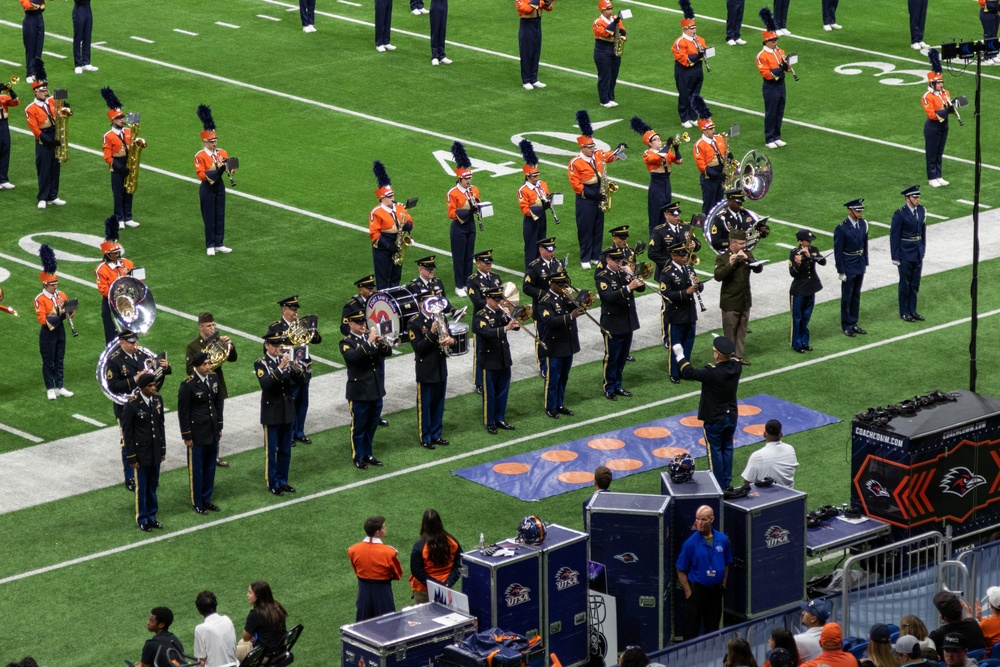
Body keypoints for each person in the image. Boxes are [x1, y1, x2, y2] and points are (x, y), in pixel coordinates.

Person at [675, 336, 742, 488]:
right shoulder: (737, 367)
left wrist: (679, 354)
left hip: (715, 418)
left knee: (715, 452)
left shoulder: (711, 372)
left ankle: (718, 486)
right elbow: (735, 358)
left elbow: (688, 371)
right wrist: (724, 341)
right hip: (731, 415)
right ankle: (726, 482)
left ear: (717, 355)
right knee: (727, 448)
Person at [109, 330, 171, 493]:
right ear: (122, 343)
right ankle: (129, 477)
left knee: (149, 435)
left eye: (135, 341)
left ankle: (148, 472)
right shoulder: (114, 361)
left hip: (146, 404)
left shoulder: (143, 355)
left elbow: (155, 375)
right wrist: (135, 379)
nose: (135, 344)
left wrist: (165, 367)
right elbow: (113, 387)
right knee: (127, 440)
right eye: (131, 342)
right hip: (125, 408)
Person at [568, 110, 623, 269]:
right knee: (585, 228)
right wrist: (594, 195)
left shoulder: (598, 154)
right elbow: (576, 185)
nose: (593, 148)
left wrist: (619, 149)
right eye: (590, 147)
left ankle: (595, 255)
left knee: (598, 226)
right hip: (586, 198)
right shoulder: (575, 162)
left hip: (600, 192)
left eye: (593, 146)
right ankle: (585, 258)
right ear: (582, 147)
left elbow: (610, 156)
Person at [268, 295, 323, 445]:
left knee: (303, 402)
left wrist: (313, 331)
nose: (295, 312)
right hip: (289, 370)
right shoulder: (276, 327)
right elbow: (272, 348)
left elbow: (318, 340)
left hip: (304, 367)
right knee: (290, 403)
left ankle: (300, 432)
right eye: (292, 309)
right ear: (284, 310)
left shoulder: (302, 324)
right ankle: (289, 434)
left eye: (296, 309)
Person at [340, 310, 392, 469]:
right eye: (359, 322)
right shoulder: (346, 342)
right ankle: (357, 456)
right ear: (350, 324)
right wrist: (369, 342)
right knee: (359, 426)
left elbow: (387, 353)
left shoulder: (370, 338)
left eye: (364, 322)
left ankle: (368, 454)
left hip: (375, 389)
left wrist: (382, 343)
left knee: (371, 425)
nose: (363, 325)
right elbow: (353, 358)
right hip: (359, 391)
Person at [255, 331, 305, 495]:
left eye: (279, 345)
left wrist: (297, 369)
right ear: (266, 345)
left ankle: (283, 480)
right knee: (272, 452)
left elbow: (298, 381)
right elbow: (266, 384)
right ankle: (272, 483)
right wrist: (281, 367)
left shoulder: (286, 359)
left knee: (285, 450)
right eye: (275, 345)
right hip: (272, 412)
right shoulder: (261, 364)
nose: (278, 348)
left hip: (287, 410)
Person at [185, 313, 237, 468]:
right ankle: (204, 455)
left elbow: (233, 358)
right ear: (200, 326)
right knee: (203, 423)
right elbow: (189, 370)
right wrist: (206, 365)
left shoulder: (218, 342)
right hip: (201, 390)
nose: (212, 328)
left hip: (216, 387)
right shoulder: (193, 346)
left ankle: (215, 456)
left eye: (213, 325)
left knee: (216, 422)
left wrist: (230, 346)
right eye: (209, 326)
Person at [178, 352, 224, 515]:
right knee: (197, 469)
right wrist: (187, 435)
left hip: (212, 430)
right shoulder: (188, 385)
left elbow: (218, 402)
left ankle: (207, 499)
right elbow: (183, 412)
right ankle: (197, 502)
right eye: (205, 364)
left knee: (210, 467)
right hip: (197, 433)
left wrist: (219, 425)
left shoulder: (213, 378)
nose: (208, 366)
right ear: (196, 366)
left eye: (209, 363)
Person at [676, 505, 732, 639]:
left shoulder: (722, 539)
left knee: (713, 628)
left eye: (703, 519)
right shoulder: (690, 543)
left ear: (712, 519)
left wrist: (723, 582)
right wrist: (688, 592)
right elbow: (680, 569)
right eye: (697, 519)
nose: (699, 523)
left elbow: (726, 563)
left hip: (715, 592)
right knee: (691, 629)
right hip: (697, 592)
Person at [597, 247, 644, 400]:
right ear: (608, 260)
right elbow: (609, 297)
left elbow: (641, 288)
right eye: (616, 261)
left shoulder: (624, 273)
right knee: (612, 358)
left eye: (620, 260)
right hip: (612, 322)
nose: (619, 263)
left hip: (627, 321)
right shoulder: (602, 276)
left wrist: (634, 275)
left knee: (623, 357)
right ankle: (608, 387)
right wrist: (629, 287)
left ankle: (618, 385)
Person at [408, 293, 453, 450]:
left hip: (440, 368)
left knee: (438, 404)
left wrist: (450, 340)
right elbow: (419, 348)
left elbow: (451, 336)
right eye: (429, 303)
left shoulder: (441, 317)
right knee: (425, 406)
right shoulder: (414, 323)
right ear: (421, 304)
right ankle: (425, 437)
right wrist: (432, 333)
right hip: (426, 370)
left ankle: (436, 434)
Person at [24, 60, 70, 209]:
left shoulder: (51, 100)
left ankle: (53, 196)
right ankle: (42, 197)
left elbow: (63, 98)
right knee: (44, 169)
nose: (46, 92)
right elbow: (35, 129)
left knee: (55, 167)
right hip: (44, 139)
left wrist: (66, 106)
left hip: (55, 134)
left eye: (46, 90)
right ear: (35, 91)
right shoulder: (30, 108)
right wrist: (48, 140)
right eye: (43, 90)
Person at [123, 374, 167, 532]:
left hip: (155, 451)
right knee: (142, 488)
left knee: (153, 486)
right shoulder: (132, 405)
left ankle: (152, 516)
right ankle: (142, 518)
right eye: (150, 386)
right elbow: (127, 434)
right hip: (141, 454)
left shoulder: (157, 400)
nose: (153, 388)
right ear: (141, 387)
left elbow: (160, 426)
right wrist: (131, 456)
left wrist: (162, 449)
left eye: (154, 385)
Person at [539, 270, 584, 419]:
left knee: (564, 377)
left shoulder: (565, 296)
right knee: (553, 379)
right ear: (551, 284)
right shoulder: (545, 301)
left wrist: (578, 301)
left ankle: (560, 404)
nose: (563, 286)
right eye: (560, 284)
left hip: (568, 343)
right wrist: (571, 315)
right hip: (555, 346)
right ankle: (550, 407)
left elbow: (577, 307)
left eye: (564, 283)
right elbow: (550, 321)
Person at [714, 229, 762, 364]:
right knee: (730, 332)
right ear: (732, 242)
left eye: (744, 243)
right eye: (741, 243)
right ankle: (728, 357)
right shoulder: (722, 257)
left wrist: (749, 259)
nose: (743, 246)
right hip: (730, 301)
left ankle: (738, 356)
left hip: (745, 299)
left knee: (742, 330)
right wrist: (730, 264)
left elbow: (759, 268)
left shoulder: (747, 254)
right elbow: (718, 276)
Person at [34, 245, 74, 401]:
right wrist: (59, 314)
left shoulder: (61, 295)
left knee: (59, 359)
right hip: (48, 333)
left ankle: (59, 386)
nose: (55, 286)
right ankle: (50, 388)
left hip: (60, 330)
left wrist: (69, 312)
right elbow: (42, 319)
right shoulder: (40, 299)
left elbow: (71, 313)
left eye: (56, 283)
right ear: (45, 284)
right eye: (52, 284)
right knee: (48, 361)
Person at [476, 286, 517, 434]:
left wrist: (513, 316)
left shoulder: (501, 312)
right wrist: (506, 328)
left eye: (500, 299)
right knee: (490, 393)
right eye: (496, 300)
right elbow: (486, 332)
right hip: (490, 358)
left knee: (503, 391)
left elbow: (516, 327)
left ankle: (500, 418)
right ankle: (490, 421)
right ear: (488, 298)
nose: (499, 302)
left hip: (504, 356)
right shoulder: (481, 315)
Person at [660, 242, 703, 385]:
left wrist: (699, 284)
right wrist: (686, 292)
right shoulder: (667, 273)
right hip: (676, 315)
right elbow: (666, 294)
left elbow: (698, 287)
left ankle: (685, 369)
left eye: (685, 254)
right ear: (673, 255)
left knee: (688, 344)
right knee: (676, 344)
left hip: (690, 312)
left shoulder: (689, 268)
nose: (685, 257)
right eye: (681, 255)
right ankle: (674, 372)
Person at [523, 237, 565, 378]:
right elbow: (527, 288)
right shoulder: (534, 267)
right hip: (541, 309)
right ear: (541, 250)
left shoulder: (558, 263)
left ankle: (556, 359)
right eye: (549, 249)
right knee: (542, 338)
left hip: (558, 308)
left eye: (553, 249)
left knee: (556, 335)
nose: (552, 252)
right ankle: (543, 365)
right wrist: (546, 294)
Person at [632, 117, 682, 236]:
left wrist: (676, 148)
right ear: (650, 143)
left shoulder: (666, 151)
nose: (659, 141)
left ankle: (665, 236)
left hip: (666, 183)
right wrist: (667, 146)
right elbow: (656, 158)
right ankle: (654, 238)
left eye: (660, 139)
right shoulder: (647, 153)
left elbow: (679, 161)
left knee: (667, 211)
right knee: (655, 213)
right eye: (656, 140)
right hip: (657, 184)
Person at [100, 87, 141, 230]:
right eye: (119, 118)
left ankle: (128, 216)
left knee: (129, 191)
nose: (122, 120)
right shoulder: (108, 136)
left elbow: (136, 140)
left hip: (129, 162)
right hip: (117, 166)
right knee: (118, 193)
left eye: (122, 117)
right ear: (113, 120)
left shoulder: (129, 131)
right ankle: (119, 218)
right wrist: (118, 167)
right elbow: (107, 156)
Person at [195, 105, 233, 256]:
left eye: (215, 140)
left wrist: (229, 167)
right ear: (205, 141)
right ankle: (210, 244)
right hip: (207, 187)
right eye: (211, 141)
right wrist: (217, 168)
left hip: (219, 185)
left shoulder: (222, 152)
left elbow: (233, 167)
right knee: (209, 215)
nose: (214, 143)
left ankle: (219, 242)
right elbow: (201, 175)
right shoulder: (200, 156)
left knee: (219, 214)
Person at [349, 516, 403, 621]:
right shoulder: (389, 552)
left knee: (363, 624)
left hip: (363, 589)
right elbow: (398, 574)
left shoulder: (353, 550)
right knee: (387, 623)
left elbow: (356, 569)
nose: (385, 529)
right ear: (377, 533)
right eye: (384, 527)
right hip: (382, 591)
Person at [370, 160, 413, 290]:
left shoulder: (400, 207)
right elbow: (374, 234)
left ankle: (394, 298)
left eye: (392, 195)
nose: (392, 198)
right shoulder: (376, 212)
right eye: (389, 196)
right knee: (383, 277)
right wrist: (388, 246)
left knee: (396, 275)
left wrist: (408, 226)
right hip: (384, 245)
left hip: (398, 242)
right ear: (382, 198)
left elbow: (410, 220)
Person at [447, 143, 480, 298]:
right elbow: (452, 213)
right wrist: (467, 208)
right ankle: (459, 285)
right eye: (466, 178)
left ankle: (468, 282)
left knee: (469, 255)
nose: (469, 181)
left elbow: (478, 204)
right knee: (459, 257)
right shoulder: (453, 193)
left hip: (471, 225)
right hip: (459, 227)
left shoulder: (474, 190)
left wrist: (478, 207)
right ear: (460, 178)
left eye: (470, 178)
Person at [95, 220, 136, 344]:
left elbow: (138, 281)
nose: (117, 254)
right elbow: (103, 290)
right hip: (110, 304)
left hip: (128, 302)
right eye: (114, 253)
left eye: (118, 251)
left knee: (130, 333)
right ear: (107, 254)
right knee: (112, 335)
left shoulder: (128, 263)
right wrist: (120, 288)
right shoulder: (101, 269)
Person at [890, 185, 927, 322]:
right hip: (905, 253)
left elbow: (923, 232)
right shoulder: (899, 214)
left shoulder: (922, 210)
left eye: (918, 197)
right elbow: (894, 236)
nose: (917, 199)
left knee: (915, 283)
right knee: (905, 284)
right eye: (914, 197)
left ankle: (913, 310)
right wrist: (895, 256)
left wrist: (922, 249)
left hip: (917, 252)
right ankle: (904, 312)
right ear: (907, 198)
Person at [409, 508, 462, 603]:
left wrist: (434, 584)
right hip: (447, 587)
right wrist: (448, 582)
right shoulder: (452, 541)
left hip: (424, 590)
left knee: (425, 617)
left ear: (424, 524)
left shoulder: (420, 545)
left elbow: (416, 570)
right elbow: (460, 563)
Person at [468, 250, 502, 395]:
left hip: (497, 319)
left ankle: (495, 376)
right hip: (481, 320)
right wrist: (493, 306)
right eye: (486, 262)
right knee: (481, 353)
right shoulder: (473, 280)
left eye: (490, 262)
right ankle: (479, 383)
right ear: (478, 263)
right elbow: (476, 300)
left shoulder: (495, 277)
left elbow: (501, 296)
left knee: (496, 350)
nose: (489, 264)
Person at [834, 198, 869, 338]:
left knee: (856, 295)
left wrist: (865, 261)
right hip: (848, 264)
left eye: (861, 210)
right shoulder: (842, 228)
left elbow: (865, 245)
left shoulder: (863, 224)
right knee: (847, 297)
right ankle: (846, 325)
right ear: (849, 211)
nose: (860, 212)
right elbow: (838, 251)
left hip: (859, 263)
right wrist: (841, 270)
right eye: (857, 210)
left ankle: (854, 322)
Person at [757, 10, 790, 150]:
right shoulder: (762, 55)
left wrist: (787, 66)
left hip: (781, 84)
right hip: (770, 86)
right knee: (771, 112)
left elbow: (786, 68)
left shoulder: (780, 51)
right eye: (773, 40)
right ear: (766, 41)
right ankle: (769, 138)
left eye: (776, 40)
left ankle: (777, 136)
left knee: (779, 111)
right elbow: (767, 74)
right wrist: (781, 69)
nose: (776, 42)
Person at [672, 5, 708, 130]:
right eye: (691, 28)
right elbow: (684, 59)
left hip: (698, 69)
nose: (694, 30)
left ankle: (693, 116)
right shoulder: (680, 42)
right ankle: (684, 118)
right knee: (685, 94)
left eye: (694, 27)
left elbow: (704, 53)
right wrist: (699, 54)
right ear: (685, 29)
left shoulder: (700, 39)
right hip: (684, 71)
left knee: (695, 94)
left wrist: (703, 54)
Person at [789, 229, 825, 353]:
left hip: (811, 287)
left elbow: (823, 261)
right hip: (799, 289)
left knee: (806, 317)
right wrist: (797, 264)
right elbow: (792, 273)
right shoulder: (794, 253)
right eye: (807, 241)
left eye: (810, 241)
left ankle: (805, 341)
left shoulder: (813, 250)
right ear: (800, 241)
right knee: (797, 318)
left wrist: (811, 257)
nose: (809, 243)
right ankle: (797, 343)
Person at [517, 140, 552, 268]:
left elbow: (547, 197)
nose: (537, 177)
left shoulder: (543, 185)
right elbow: (525, 210)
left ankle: (542, 267)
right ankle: (531, 270)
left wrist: (548, 202)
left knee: (542, 244)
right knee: (531, 247)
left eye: (537, 174)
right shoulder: (523, 190)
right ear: (528, 176)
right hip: (531, 221)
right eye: (534, 175)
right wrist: (539, 206)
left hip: (542, 217)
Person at [691, 96, 727, 215]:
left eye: (713, 127)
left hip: (721, 174)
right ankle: (707, 228)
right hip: (710, 178)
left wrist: (729, 158)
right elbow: (701, 166)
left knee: (721, 203)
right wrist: (716, 175)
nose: (713, 130)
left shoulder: (719, 138)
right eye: (710, 128)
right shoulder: (699, 145)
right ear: (703, 130)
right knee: (709, 205)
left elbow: (724, 154)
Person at [237, 582, 287, 661]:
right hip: (280, 651)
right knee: (240, 643)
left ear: (258, 595)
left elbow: (245, 638)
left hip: (266, 656)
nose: (247, 595)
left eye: (250, 592)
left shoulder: (255, 614)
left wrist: (253, 635)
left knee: (230, 652)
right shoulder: (277, 606)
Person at [649, 201, 698, 282]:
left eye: (678, 213)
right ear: (666, 215)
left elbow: (698, 243)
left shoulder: (686, 227)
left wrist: (694, 244)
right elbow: (652, 253)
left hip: (685, 271)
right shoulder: (659, 231)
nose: (677, 216)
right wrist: (672, 264)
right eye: (674, 214)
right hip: (666, 273)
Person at [741, 419, 798, 487]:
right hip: (791, 495)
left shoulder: (757, 456)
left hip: (767, 496)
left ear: (764, 434)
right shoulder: (790, 449)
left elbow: (747, 482)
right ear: (781, 434)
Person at [930, 591, 986, 658]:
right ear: (961, 608)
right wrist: (970, 618)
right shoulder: (973, 624)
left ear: (941, 616)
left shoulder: (936, 636)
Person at [593, 0, 626, 108]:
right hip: (603, 50)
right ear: (602, 10)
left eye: (611, 8)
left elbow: (622, 30)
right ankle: (604, 100)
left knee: (613, 75)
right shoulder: (598, 22)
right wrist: (617, 20)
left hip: (614, 47)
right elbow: (606, 33)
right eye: (608, 9)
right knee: (604, 76)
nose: (610, 11)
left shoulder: (614, 19)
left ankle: (610, 97)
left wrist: (623, 36)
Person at [193, 590, 237, 667]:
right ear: (215, 604)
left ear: (199, 610)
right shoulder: (227, 620)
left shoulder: (200, 629)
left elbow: (201, 661)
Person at [516, 0, 552, 90]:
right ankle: (526, 80)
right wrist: (540, 1)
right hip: (527, 25)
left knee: (536, 52)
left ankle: (534, 79)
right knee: (526, 53)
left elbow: (549, 8)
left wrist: (547, 2)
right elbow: (526, 9)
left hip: (537, 24)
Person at [0, 77, 20, 190]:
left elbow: (16, 102)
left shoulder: (3, 98)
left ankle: (3, 179)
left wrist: (10, 90)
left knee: (5, 150)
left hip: (4, 125)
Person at [20, 1, 45, 83]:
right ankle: (29, 74)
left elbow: (42, 5)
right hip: (30, 19)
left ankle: (37, 73)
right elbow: (27, 5)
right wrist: (38, 6)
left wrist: (39, 5)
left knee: (39, 47)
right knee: (30, 48)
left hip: (39, 19)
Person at [72, 0, 98, 73]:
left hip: (88, 9)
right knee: (78, 37)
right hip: (79, 10)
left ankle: (86, 62)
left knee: (87, 36)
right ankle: (78, 64)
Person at [977, 587, 1000, 653]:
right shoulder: (985, 623)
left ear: (991, 605)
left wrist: (969, 618)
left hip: (990, 662)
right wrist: (981, 619)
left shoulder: (985, 624)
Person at [429, 0, 449, 64]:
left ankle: (441, 54)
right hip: (436, 4)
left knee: (442, 28)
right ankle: (435, 56)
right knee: (435, 29)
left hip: (444, 4)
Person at [980, 0, 1000, 65]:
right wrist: (990, 4)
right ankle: (987, 56)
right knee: (989, 35)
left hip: (996, 12)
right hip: (987, 13)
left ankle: (993, 53)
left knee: (994, 34)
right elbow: (981, 2)